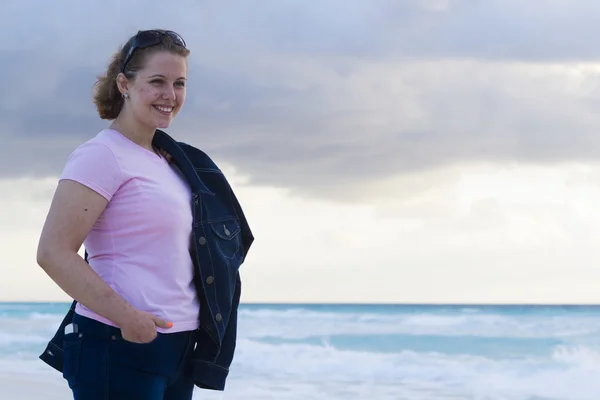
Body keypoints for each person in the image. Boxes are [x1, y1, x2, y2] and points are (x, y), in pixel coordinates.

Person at [36, 29, 253, 399]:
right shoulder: (102, 155)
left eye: (179, 83)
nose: (170, 95)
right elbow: (53, 253)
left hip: (179, 347)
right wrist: (128, 319)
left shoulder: (174, 163)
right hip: (117, 343)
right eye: (157, 82)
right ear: (124, 84)